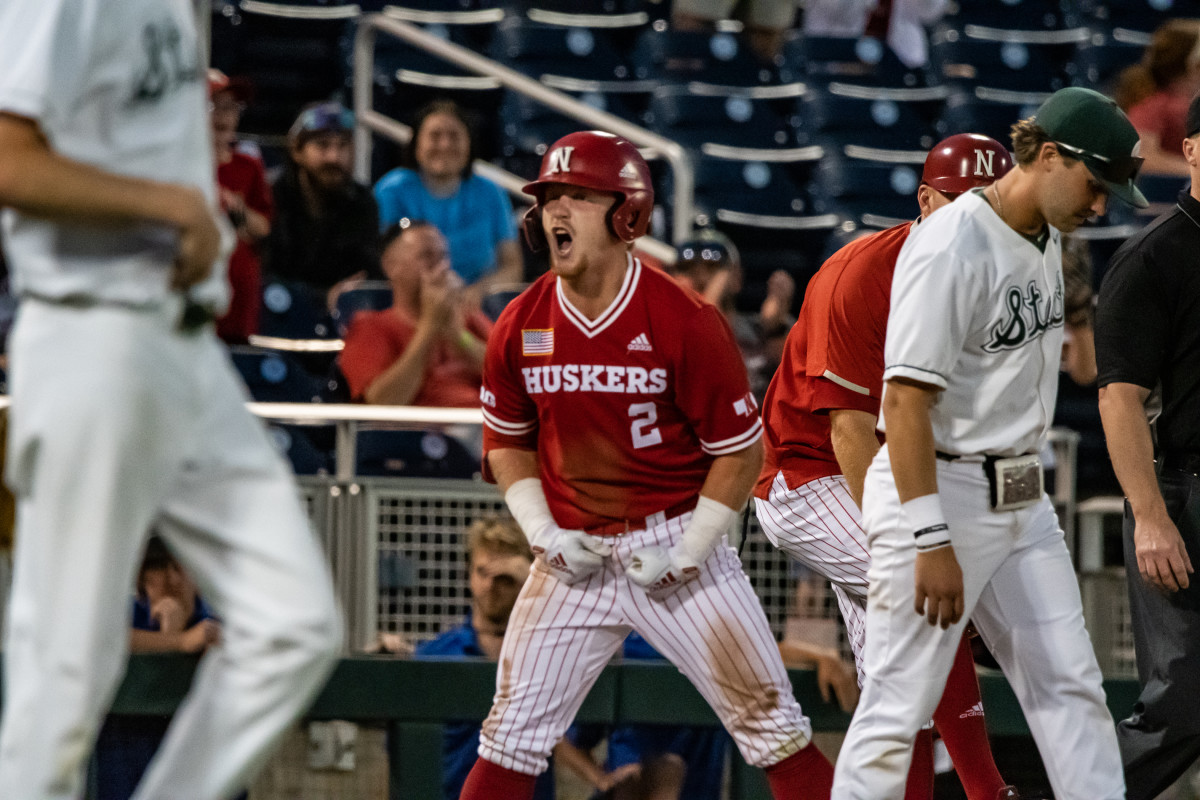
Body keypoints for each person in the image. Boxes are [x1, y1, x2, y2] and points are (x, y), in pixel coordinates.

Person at [0, 2, 343, 798]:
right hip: (93, 329)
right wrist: (174, 207)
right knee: (69, 664)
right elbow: (9, 158)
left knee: (296, 625)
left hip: (183, 345)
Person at [458, 130, 836, 800]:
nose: (556, 212)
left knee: (774, 730)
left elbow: (739, 451)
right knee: (508, 739)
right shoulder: (521, 321)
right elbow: (507, 441)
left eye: (577, 195)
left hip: (676, 543)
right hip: (572, 552)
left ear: (626, 213)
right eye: (549, 198)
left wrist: (692, 550)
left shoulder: (684, 318)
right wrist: (542, 532)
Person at [829, 86, 1147, 800]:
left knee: (1072, 686)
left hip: (1021, 497)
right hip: (941, 489)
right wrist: (930, 536)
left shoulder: (1046, 232)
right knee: (897, 706)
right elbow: (904, 403)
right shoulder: (951, 244)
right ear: (1050, 156)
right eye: (1095, 185)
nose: (1100, 207)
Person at [755, 132, 1018, 800]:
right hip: (806, 476)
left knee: (897, 689)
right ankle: (988, 789)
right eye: (959, 203)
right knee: (924, 591)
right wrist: (919, 540)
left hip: (890, 464)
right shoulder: (863, 276)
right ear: (926, 201)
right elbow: (848, 433)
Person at [1096, 91, 1200, 800]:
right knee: (1183, 701)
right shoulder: (1153, 257)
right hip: (1187, 497)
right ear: (1191, 149)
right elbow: (1118, 398)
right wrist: (1150, 515)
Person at [415, 517, 638, 800]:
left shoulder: (551, 653)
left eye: (505, 578)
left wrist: (596, 775)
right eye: (481, 572)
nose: (490, 585)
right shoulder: (435, 656)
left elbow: (555, 732)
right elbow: (403, 754)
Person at [92, 536, 232, 800]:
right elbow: (98, 639)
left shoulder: (216, 623)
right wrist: (178, 640)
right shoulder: (125, 617)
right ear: (142, 580)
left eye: (180, 568)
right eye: (159, 571)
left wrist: (199, 640)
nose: (172, 581)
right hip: (126, 765)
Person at [374, 100, 522, 291]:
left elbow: (512, 266)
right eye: (435, 136)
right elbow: (386, 264)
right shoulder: (391, 191)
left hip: (479, 308)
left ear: (469, 144)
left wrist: (476, 293)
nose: (445, 145)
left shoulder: (491, 192)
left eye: (454, 136)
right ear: (416, 145)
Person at [340, 220, 491, 406]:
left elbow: (518, 378)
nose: (441, 267)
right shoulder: (371, 326)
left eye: (444, 257)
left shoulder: (468, 316)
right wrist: (428, 329)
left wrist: (459, 336)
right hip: (422, 431)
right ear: (391, 266)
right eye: (427, 256)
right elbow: (381, 405)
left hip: (485, 425)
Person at [265, 101, 380, 308]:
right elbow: (264, 273)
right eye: (323, 145)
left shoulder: (362, 202)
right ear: (297, 151)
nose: (334, 157)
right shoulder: (269, 195)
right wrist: (321, 297)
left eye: (343, 146)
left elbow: (364, 274)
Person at [668, 230, 794, 402]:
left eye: (712, 268)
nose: (701, 278)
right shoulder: (664, 335)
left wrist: (775, 328)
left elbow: (797, 379)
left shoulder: (763, 328)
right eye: (688, 270)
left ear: (737, 278)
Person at [210, 69, 272, 344]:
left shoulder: (248, 166)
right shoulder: (179, 166)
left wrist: (237, 208)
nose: (224, 115)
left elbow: (263, 226)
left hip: (240, 290)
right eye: (213, 105)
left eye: (231, 107)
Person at [1115, 19, 1200, 177]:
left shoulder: (1192, 104)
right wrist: (1193, 171)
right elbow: (1142, 158)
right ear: (1191, 65)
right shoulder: (1151, 104)